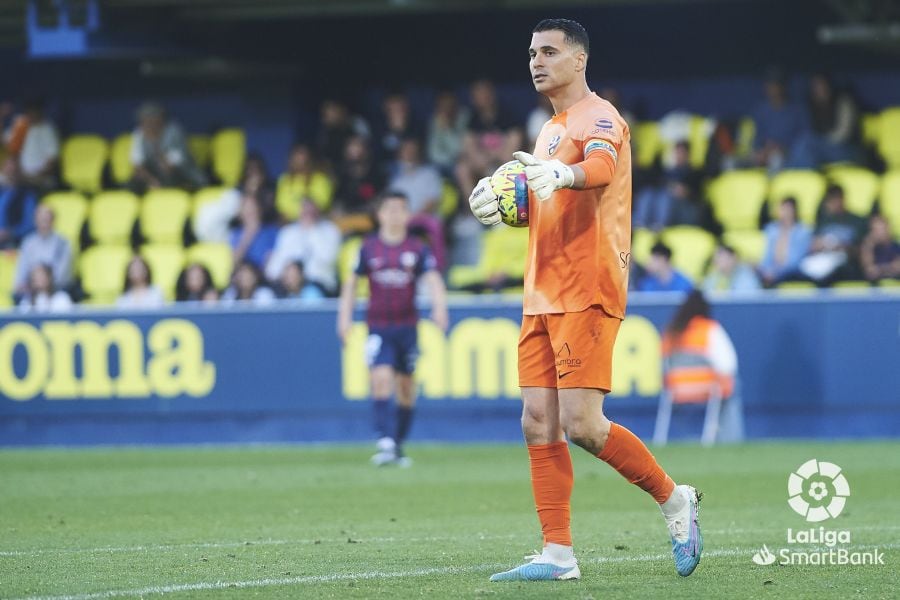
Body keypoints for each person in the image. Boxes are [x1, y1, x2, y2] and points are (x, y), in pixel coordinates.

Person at [467, 19, 702, 582]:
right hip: (541, 289)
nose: (536, 61)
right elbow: (552, 198)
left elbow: (596, 169)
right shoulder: (547, 130)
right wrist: (508, 206)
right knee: (537, 421)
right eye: (531, 52)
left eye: (549, 51)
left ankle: (675, 500)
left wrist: (559, 173)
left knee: (583, 424)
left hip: (587, 285)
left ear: (579, 60)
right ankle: (557, 554)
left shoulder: (600, 116)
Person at [337, 191, 448, 466]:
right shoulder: (367, 248)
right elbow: (351, 283)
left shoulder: (416, 248)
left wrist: (439, 308)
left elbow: (433, 279)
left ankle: (397, 444)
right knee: (381, 378)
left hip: (407, 327)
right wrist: (344, 317)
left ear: (408, 215)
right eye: (390, 209)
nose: (395, 215)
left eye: (401, 209)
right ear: (380, 215)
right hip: (378, 326)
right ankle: (385, 440)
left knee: (406, 388)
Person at [388, 137, 447, 271]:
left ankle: (438, 267)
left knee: (435, 224)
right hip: (403, 218)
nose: (410, 154)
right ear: (400, 154)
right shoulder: (397, 180)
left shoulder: (429, 174)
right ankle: (395, 265)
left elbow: (433, 201)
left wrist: (413, 216)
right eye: (406, 150)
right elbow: (393, 203)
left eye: (413, 150)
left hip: (424, 217)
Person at [264, 198, 341, 295]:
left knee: (311, 295)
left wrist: (312, 229)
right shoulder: (287, 232)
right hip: (286, 284)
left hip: (318, 284)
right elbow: (276, 263)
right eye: (305, 210)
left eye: (311, 210)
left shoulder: (330, 230)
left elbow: (329, 260)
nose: (308, 213)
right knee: (265, 295)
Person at [129, 102, 206, 192]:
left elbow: (169, 166)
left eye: (152, 120)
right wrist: (151, 181)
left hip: (184, 176)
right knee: (133, 183)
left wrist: (155, 143)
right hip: (156, 176)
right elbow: (137, 166)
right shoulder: (139, 134)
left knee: (169, 177)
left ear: (161, 120)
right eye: (145, 120)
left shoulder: (174, 132)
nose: (148, 124)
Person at [799, 184, 867, 284]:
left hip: (846, 263)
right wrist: (821, 245)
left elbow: (862, 249)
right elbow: (812, 245)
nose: (831, 205)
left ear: (841, 199)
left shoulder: (857, 221)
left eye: (834, 200)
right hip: (823, 258)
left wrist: (842, 247)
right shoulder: (823, 221)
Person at [633, 140, 703, 231]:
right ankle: (639, 223)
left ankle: (660, 225)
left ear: (688, 154)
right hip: (667, 200)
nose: (679, 156)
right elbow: (659, 185)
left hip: (684, 205)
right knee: (648, 193)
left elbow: (698, 195)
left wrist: (686, 192)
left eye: (681, 153)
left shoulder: (695, 173)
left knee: (665, 197)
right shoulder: (669, 172)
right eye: (677, 153)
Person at [751, 69, 810, 172]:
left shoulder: (797, 109)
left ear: (783, 86)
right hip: (765, 154)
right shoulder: (761, 110)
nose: (772, 89)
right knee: (732, 162)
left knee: (776, 159)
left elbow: (805, 138)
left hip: (789, 156)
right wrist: (762, 150)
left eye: (775, 85)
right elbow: (757, 139)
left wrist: (783, 148)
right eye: (769, 85)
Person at [13, 204, 72, 295]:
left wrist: (43, 283)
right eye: (40, 219)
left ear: (53, 220)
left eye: (46, 219)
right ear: (35, 220)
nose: (43, 222)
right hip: (31, 291)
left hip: (56, 290)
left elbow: (62, 276)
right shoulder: (28, 243)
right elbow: (21, 273)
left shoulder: (63, 243)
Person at [5, 97, 59, 191]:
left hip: (39, 180)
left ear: (40, 111)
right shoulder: (19, 126)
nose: (32, 114)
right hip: (16, 178)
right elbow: (9, 154)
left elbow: (52, 163)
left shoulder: (47, 130)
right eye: (29, 110)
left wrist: (30, 178)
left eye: (35, 110)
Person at [759, 197, 812, 286]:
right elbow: (767, 257)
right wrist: (765, 270)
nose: (784, 212)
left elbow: (796, 261)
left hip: (794, 272)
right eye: (782, 209)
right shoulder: (771, 230)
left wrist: (775, 272)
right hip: (772, 271)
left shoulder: (803, 231)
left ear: (794, 211)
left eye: (788, 209)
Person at [275, 144, 334, 219]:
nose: (300, 160)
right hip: (291, 223)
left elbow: (322, 203)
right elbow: (281, 205)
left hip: (316, 221)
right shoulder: (284, 180)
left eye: (303, 157)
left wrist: (306, 214)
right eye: (297, 156)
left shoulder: (320, 179)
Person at [229, 193, 279, 271]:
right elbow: (235, 262)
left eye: (253, 207)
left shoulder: (271, 231)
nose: (250, 211)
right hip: (242, 275)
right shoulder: (236, 234)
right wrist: (249, 235)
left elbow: (272, 260)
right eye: (246, 208)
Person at [426, 91, 469, 175]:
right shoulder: (436, 121)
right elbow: (433, 153)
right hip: (446, 164)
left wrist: (448, 130)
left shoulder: (465, 117)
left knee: (463, 168)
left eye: (450, 105)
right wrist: (451, 160)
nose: (447, 109)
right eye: (443, 106)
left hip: (466, 163)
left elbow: (460, 149)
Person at [0, 157, 37, 248]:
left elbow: (29, 225)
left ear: (19, 172)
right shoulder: (2, 190)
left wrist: (9, 233)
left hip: (14, 241)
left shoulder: (27, 194)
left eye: (13, 170)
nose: (10, 173)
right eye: (7, 169)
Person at [860, 215, 900, 283]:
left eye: (882, 229)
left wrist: (879, 270)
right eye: (876, 230)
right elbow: (869, 271)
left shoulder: (896, 246)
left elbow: (897, 268)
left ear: (888, 229)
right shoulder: (868, 247)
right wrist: (868, 245)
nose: (880, 233)